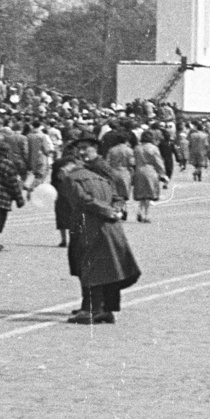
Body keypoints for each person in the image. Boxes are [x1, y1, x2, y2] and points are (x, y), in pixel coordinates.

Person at [58, 137, 140, 324]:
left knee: (90, 267)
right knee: (109, 268)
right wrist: (116, 210)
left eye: (85, 148)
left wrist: (109, 210)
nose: (82, 152)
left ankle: (92, 309)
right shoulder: (99, 174)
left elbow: (84, 200)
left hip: (92, 225)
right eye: (79, 149)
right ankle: (106, 309)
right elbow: (117, 194)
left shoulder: (95, 169)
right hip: (110, 226)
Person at [130, 133, 167, 223]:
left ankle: (139, 211)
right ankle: (146, 215)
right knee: (148, 194)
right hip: (150, 171)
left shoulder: (137, 148)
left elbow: (132, 161)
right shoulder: (154, 148)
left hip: (138, 171)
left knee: (142, 193)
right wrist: (163, 173)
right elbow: (158, 162)